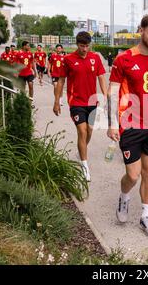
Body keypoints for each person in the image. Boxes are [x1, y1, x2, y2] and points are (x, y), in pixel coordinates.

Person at [107, 15, 148, 237]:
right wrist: (112, 124)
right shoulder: (124, 59)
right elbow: (113, 91)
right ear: (141, 31)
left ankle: (145, 216)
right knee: (133, 175)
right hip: (130, 124)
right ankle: (124, 197)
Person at [53, 32, 108, 182]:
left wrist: (106, 96)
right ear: (77, 44)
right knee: (82, 131)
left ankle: (81, 150)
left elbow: (102, 78)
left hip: (92, 101)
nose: (84, 49)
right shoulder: (68, 59)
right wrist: (57, 101)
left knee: (89, 131)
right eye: (82, 46)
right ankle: (85, 166)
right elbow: (61, 81)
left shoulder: (95, 58)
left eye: (87, 46)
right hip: (76, 102)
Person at [15, 41, 36, 105]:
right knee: (23, 88)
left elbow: (32, 63)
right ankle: (23, 100)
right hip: (21, 74)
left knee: (31, 85)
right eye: (28, 46)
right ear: (24, 46)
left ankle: (30, 100)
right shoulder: (18, 54)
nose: (29, 47)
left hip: (29, 73)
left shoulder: (30, 54)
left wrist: (35, 71)